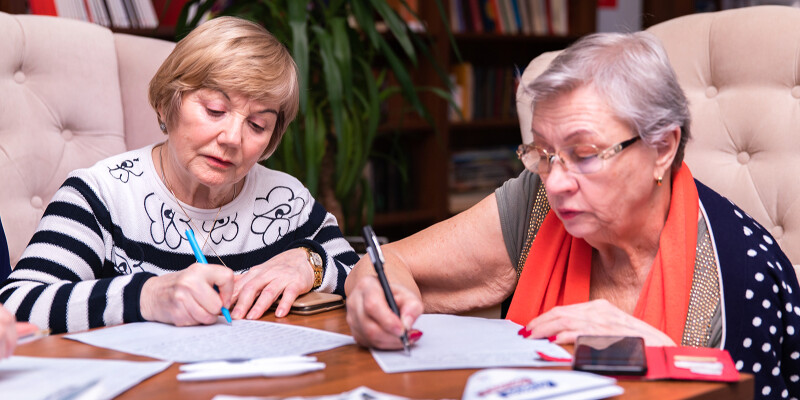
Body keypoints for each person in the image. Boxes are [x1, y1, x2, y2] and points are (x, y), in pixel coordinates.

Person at [345, 32, 800, 399]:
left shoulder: (742, 269)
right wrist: (374, 296)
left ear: (661, 148)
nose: (556, 180)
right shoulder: (537, 201)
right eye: (543, 152)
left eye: (583, 154)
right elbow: (386, 264)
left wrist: (659, 358)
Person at [0, 17, 358, 334]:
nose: (233, 139)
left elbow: (369, 278)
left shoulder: (284, 200)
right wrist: (148, 295)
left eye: (257, 124)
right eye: (215, 110)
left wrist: (312, 264)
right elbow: (18, 304)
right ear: (168, 102)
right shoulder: (101, 194)